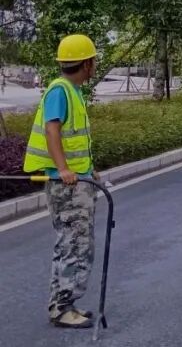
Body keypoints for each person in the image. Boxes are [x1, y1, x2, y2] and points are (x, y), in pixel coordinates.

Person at [23, 34, 100, 329]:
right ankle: (63, 308)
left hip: (76, 181)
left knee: (72, 243)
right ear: (86, 63)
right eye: (93, 60)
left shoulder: (72, 91)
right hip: (66, 186)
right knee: (73, 245)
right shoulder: (60, 91)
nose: (95, 65)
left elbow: (73, 139)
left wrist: (89, 169)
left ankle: (63, 303)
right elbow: (52, 130)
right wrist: (64, 169)